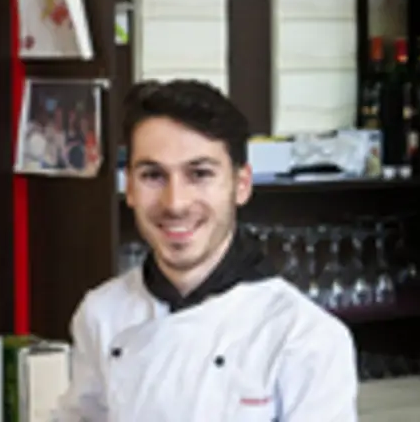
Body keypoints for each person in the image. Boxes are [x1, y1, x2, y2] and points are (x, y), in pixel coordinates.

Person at [54, 80, 358, 421]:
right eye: (153, 175)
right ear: (130, 189)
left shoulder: (305, 337)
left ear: (241, 185)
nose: (175, 203)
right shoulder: (101, 313)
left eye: (199, 174)